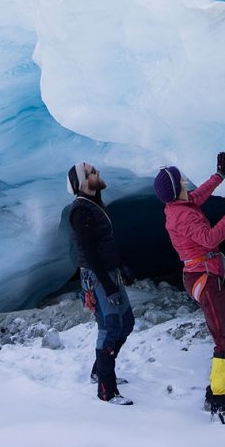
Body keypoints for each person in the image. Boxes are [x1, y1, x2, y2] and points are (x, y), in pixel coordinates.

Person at [154, 151, 225, 421]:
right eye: (182, 180)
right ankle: (219, 401)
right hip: (203, 278)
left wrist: (218, 176)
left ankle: (221, 385)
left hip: (205, 274)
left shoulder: (179, 206)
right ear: (176, 188)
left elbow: (199, 196)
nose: (186, 182)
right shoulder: (182, 217)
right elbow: (210, 239)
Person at [67, 161, 135, 405]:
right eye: (91, 172)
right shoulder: (80, 210)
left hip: (109, 273)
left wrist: (121, 267)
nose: (97, 173)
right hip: (97, 277)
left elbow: (105, 244)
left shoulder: (94, 204)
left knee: (126, 322)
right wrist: (107, 285)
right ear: (82, 183)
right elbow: (89, 251)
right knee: (110, 328)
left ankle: (100, 371)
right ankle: (107, 390)